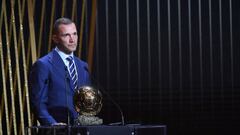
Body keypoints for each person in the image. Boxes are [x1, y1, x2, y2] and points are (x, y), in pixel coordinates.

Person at [29, 17, 91, 126]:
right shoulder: (43, 65)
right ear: (55, 38)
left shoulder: (83, 66)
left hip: (81, 129)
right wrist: (53, 124)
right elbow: (38, 104)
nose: (72, 39)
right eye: (66, 35)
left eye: (75, 34)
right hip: (56, 130)